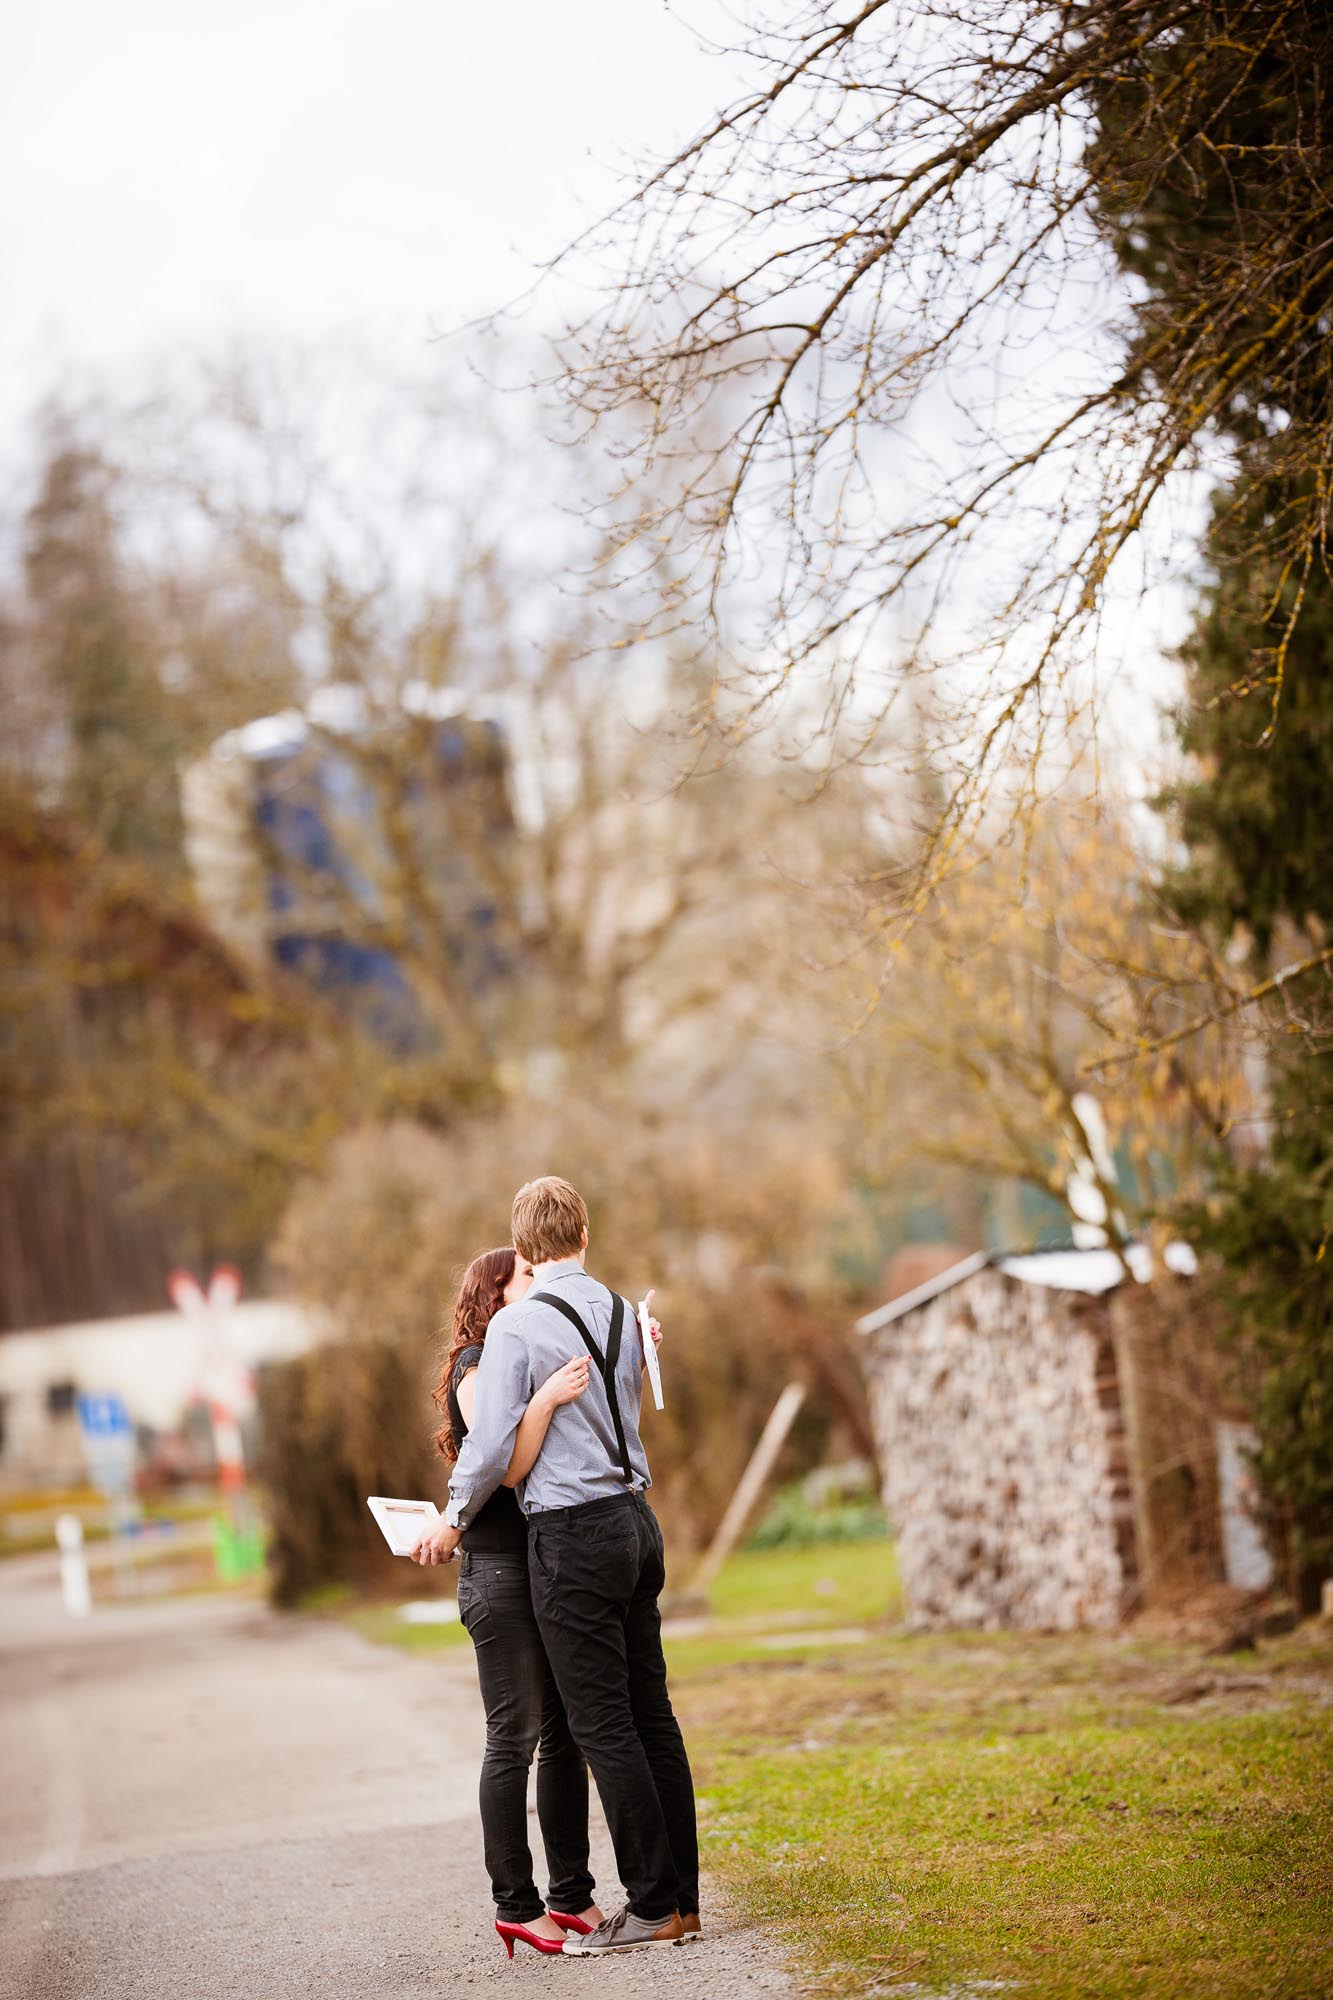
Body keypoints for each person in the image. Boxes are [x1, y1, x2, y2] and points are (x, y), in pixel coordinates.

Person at [412, 1175, 699, 1957]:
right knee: (652, 1716)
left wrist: (449, 1516)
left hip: (574, 1535)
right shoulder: (619, 1311)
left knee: (602, 1726)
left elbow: (490, 1448)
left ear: (526, 1247)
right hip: (637, 1519)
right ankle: (684, 1899)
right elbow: (629, 1404)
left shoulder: (518, 1328)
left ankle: (648, 1907)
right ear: (583, 1234)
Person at [432, 1247, 603, 1959]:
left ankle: (571, 1895)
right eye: (526, 1278)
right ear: (494, 1293)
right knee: (514, 1739)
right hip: (497, 1572)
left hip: (540, 1564)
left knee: (563, 1734)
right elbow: (498, 1466)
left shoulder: (520, 1353)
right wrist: (543, 1401)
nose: (540, 1286)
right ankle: (515, 1903)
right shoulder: (476, 1363)